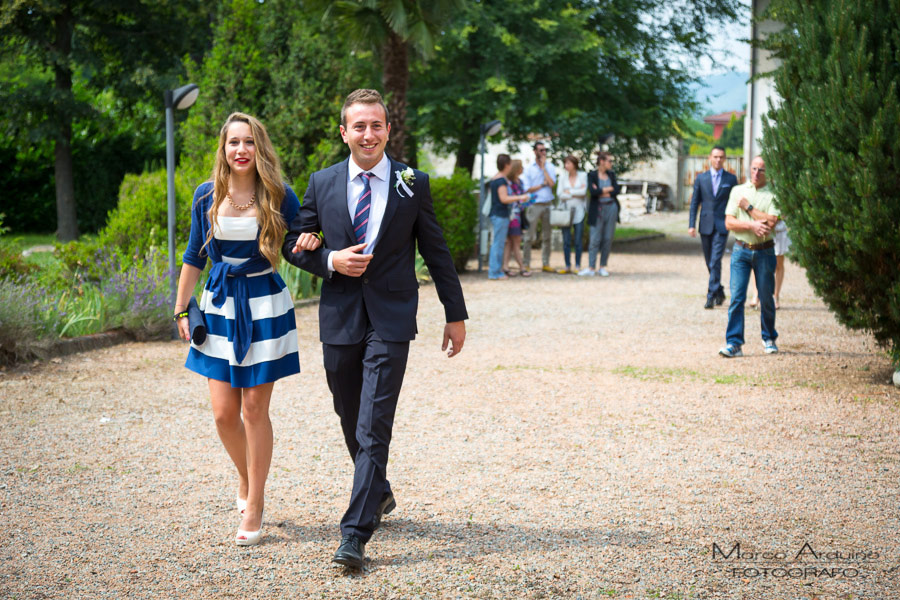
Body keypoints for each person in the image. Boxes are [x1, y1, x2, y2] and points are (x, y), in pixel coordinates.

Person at [282, 89, 468, 568]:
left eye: (377, 125)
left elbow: (437, 250)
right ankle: (379, 491)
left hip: (391, 318)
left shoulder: (412, 182)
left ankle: (354, 533)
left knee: (373, 424)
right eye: (359, 126)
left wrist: (455, 312)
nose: (369, 134)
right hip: (340, 316)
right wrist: (327, 258)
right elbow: (294, 243)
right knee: (348, 413)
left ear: (389, 130)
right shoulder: (322, 182)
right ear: (343, 132)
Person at [174, 112, 321, 547]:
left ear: (261, 148)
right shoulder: (206, 195)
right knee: (223, 414)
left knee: (254, 410)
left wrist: (313, 241)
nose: (241, 150)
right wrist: (182, 309)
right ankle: (245, 474)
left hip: (265, 307)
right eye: (233, 142)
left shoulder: (279, 194)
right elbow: (192, 256)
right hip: (218, 307)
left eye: (249, 142)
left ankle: (255, 500)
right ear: (223, 149)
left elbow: (299, 241)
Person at [719, 156, 780, 358]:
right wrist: (752, 225)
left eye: (761, 170)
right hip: (741, 250)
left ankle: (769, 337)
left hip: (765, 250)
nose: (756, 173)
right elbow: (729, 222)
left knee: (766, 297)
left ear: (766, 172)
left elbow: (772, 222)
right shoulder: (738, 191)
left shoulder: (773, 194)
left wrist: (748, 208)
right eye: (754, 169)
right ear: (749, 169)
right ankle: (734, 343)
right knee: (737, 297)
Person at [688, 146, 738, 309]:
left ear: (724, 159)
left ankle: (710, 295)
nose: (718, 160)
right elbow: (695, 202)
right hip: (705, 224)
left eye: (721, 157)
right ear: (710, 158)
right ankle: (720, 290)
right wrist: (691, 225)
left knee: (716, 260)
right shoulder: (701, 178)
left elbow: (735, 203)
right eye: (715, 157)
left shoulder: (731, 179)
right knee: (709, 261)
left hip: (722, 225)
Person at [488, 155, 532, 280]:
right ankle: (495, 272)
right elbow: (504, 198)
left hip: (497, 215)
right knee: (498, 244)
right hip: (500, 215)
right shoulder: (501, 180)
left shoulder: (495, 178)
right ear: (507, 165)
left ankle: (496, 271)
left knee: (498, 243)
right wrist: (520, 197)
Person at [521, 142, 557, 273]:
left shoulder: (550, 167)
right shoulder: (529, 169)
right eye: (541, 150)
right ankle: (526, 263)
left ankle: (546, 263)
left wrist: (544, 169)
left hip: (547, 204)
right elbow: (527, 188)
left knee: (547, 236)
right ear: (535, 151)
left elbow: (552, 183)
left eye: (545, 150)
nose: (543, 152)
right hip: (534, 204)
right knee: (529, 236)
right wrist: (542, 185)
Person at [585, 152, 619, 276]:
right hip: (597, 209)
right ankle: (591, 267)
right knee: (594, 238)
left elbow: (616, 190)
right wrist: (607, 189)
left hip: (611, 207)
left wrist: (602, 191)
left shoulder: (611, 175)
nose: (611, 164)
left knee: (608, 237)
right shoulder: (592, 175)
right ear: (602, 162)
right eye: (609, 161)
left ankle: (602, 266)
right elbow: (593, 192)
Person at [556, 155, 588, 274]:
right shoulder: (562, 177)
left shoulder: (583, 176)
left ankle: (578, 264)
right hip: (566, 212)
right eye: (565, 163)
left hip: (579, 211)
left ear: (574, 164)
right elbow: (560, 194)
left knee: (578, 240)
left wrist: (569, 192)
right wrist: (575, 193)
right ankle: (567, 264)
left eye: (568, 163)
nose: (566, 166)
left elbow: (583, 192)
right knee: (566, 240)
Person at [750, 218, 790, 309]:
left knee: (779, 264)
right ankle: (756, 294)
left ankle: (775, 296)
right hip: (761, 227)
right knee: (756, 261)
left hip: (778, 229)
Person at [503, 159, 530, 277]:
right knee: (516, 241)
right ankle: (522, 267)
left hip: (518, 213)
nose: (523, 168)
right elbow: (515, 199)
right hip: (514, 215)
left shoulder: (519, 181)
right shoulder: (509, 183)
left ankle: (505, 266)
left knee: (510, 242)